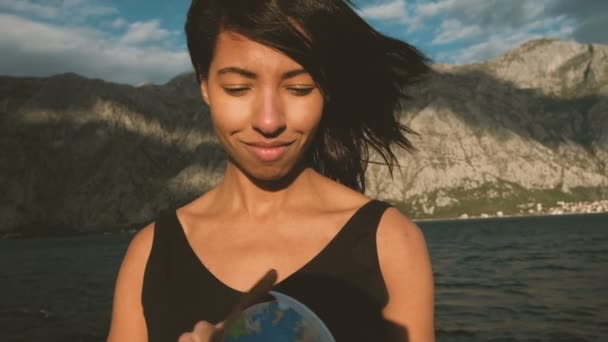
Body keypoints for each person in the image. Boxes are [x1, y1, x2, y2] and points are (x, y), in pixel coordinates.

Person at [107, 0, 434, 341]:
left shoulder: (390, 241)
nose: (269, 121)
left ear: (326, 91)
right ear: (204, 84)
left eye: (299, 88)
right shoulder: (151, 253)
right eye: (238, 88)